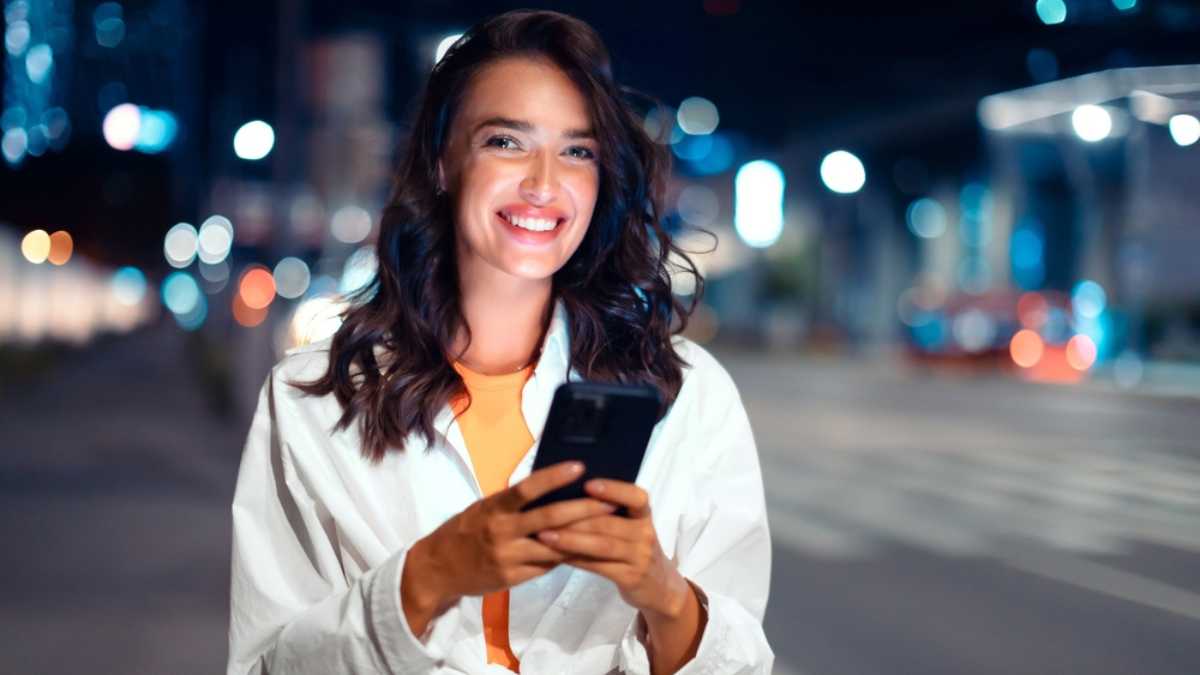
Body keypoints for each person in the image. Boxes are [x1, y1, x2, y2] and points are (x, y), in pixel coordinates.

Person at [227, 9, 772, 675]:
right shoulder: (316, 399)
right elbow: (262, 667)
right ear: (442, 160)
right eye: (506, 142)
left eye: (578, 151)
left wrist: (663, 593)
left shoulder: (687, 393)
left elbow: (743, 662)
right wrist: (426, 578)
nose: (544, 184)